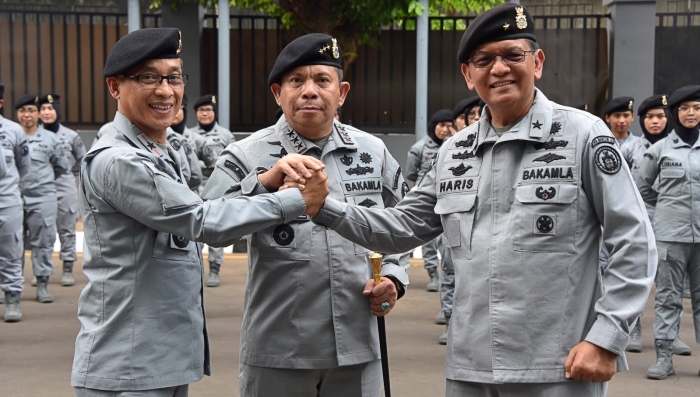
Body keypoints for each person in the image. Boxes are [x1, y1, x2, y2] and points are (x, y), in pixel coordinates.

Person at [305, 4, 656, 395]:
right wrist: (325, 207)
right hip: (470, 369)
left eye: (512, 55)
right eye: (484, 60)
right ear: (468, 75)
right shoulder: (454, 152)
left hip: (558, 367)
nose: (499, 68)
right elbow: (401, 228)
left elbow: (634, 240)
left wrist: (605, 337)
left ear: (537, 62)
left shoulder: (583, 136)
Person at [71, 27, 329, 397]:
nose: (165, 91)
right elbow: (202, 222)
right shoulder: (121, 161)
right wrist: (296, 202)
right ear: (115, 86)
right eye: (148, 78)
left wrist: (263, 183)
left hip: (161, 360)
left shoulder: (161, 150)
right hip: (127, 366)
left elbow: (198, 210)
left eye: (173, 78)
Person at [202, 33, 408, 397]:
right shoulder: (245, 154)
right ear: (277, 93)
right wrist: (264, 183)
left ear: (341, 92)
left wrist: (393, 276)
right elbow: (208, 224)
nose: (309, 91)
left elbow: (402, 223)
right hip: (278, 351)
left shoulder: (372, 152)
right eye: (296, 81)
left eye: (322, 80)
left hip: (358, 347)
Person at [619, 94, 692, 354]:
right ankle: (633, 328)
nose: (655, 121)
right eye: (649, 116)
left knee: (670, 284)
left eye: (660, 116)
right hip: (639, 221)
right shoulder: (629, 149)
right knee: (636, 275)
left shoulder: (680, 146)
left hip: (672, 226)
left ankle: (672, 336)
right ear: (642, 120)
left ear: (668, 118)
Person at [636, 85, 700, 380]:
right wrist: (665, 207)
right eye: (685, 108)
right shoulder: (660, 149)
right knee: (668, 297)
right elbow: (643, 188)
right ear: (675, 113)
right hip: (670, 235)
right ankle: (664, 357)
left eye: (697, 108)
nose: (691, 113)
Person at [436, 98, 483, 345]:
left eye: (480, 113)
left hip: (483, 226)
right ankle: (451, 319)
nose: (476, 118)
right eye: (471, 114)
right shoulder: (449, 148)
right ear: (459, 119)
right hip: (454, 224)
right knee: (452, 271)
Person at [16, 94, 69, 304]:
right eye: (22, 111)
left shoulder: (50, 139)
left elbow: (61, 166)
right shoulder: (10, 135)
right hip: (14, 198)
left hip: (42, 198)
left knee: (43, 244)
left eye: (31, 111)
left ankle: (42, 284)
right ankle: (11, 287)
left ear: (38, 114)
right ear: (17, 114)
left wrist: (43, 182)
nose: (26, 115)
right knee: (11, 245)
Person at [38, 93, 86, 287]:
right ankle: (42, 270)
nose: (47, 112)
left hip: (65, 186)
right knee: (42, 229)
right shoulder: (33, 134)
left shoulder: (71, 135)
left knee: (67, 229)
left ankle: (67, 268)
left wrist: (69, 173)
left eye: (50, 108)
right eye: (43, 109)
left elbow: (83, 159)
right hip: (40, 187)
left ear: (57, 110)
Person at [406, 109, 454, 292]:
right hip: (427, 198)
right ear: (434, 126)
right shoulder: (419, 148)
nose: (445, 130)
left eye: (449, 126)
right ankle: (433, 274)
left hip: (447, 197)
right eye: (441, 125)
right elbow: (411, 172)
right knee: (428, 240)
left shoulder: (454, 146)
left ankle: (448, 274)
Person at [191, 94, 235, 287]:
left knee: (216, 225)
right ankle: (195, 267)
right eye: (201, 110)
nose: (205, 114)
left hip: (218, 183)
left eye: (208, 110)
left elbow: (232, 160)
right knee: (195, 225)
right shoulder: (189, 135)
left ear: (214, 113)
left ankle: (215, 268)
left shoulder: (225, 135)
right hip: (195, 185)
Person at [0, 83, 31, 321]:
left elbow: (23, 166)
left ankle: (12, 297)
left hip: (6, 200)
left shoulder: (13, 131)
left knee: (11, 250)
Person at [168, 94, 202, 192]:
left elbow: (195, 176)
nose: (173, 112)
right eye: (170, 107)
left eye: (178, 108)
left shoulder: (193, 138)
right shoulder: (155, 137)